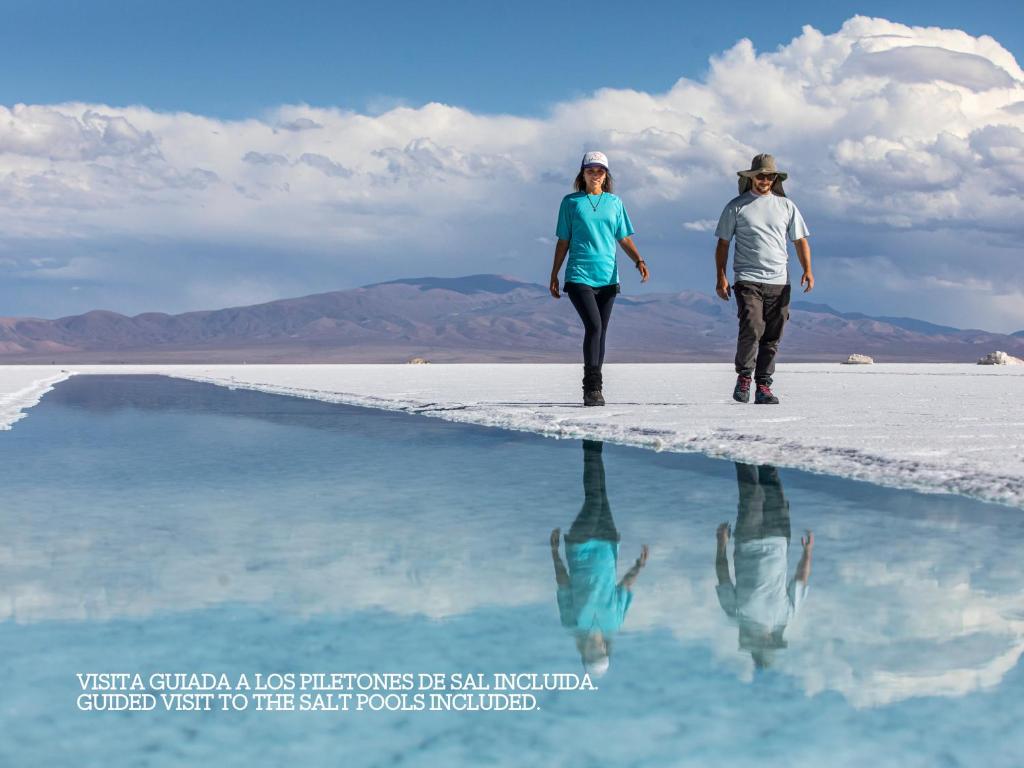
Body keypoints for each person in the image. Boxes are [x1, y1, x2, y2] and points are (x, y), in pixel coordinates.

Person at [550, 151, 649, 406]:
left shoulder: (614, 203)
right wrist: (554, 273)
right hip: (579, 274)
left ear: (606, 175)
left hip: (608, 276)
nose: (595, 175)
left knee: (601, 331)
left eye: (600, 171)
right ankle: (591, 388)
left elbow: (623, 237)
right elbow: (563, 240)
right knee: (593, 327)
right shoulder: (571, 202)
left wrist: (638, 260)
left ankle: (596, 388)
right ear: (582, 174)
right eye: (590, 170)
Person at [714, 154, 813, 404]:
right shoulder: (737, 206)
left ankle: (763, 386)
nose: (765, 180)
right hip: (747, 277)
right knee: (752, 326)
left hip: (779, 280)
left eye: (769, 176)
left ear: (775, 179)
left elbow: (800, 240)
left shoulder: (786, 206)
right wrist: (721, 276)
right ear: (751, 178)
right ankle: (744, 377)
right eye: (760, 176)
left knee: (772, 335)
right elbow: (723, 243)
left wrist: (807, 270)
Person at [550, 440, 649, 677]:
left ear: (583, 653)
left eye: (591, 655)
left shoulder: (571, 623)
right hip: (608, 543)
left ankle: (591, 444)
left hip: (580, 547)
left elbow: (563, 584)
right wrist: (639, 566)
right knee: (600, 493)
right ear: (606, 650)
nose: (596, 650)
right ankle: (594, 443)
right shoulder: (614, 623)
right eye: (600, 654)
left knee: (594, 497)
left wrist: (554, 552)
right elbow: (624, 588)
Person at [715, 463, 814, 669]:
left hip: (747, 538)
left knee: (751, 490)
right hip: (779, 537)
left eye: (762, 645)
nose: (765, 641)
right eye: (769, 644)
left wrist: (721, 543)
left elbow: (723, 576)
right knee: (772, 481)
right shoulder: (786, 616)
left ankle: (740, 447)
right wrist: (808, 552)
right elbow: (800, 581)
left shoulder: (736, 615)